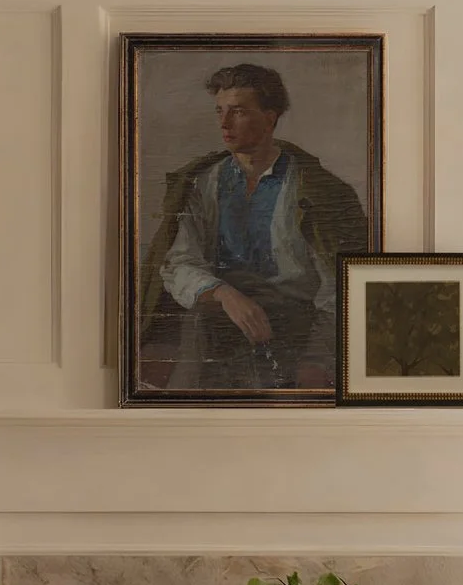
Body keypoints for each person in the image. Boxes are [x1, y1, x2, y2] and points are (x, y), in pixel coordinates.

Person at [137, 62, 370, 393]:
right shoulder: (202, 182)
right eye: (219, 111)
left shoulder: (320, 190)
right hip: (217, 321)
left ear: (270, 117)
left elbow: (341, 287)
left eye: (238, 111)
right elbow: (178, 261)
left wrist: (318, 359)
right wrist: (225, 294)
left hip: (298, 327)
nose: (224, 123)